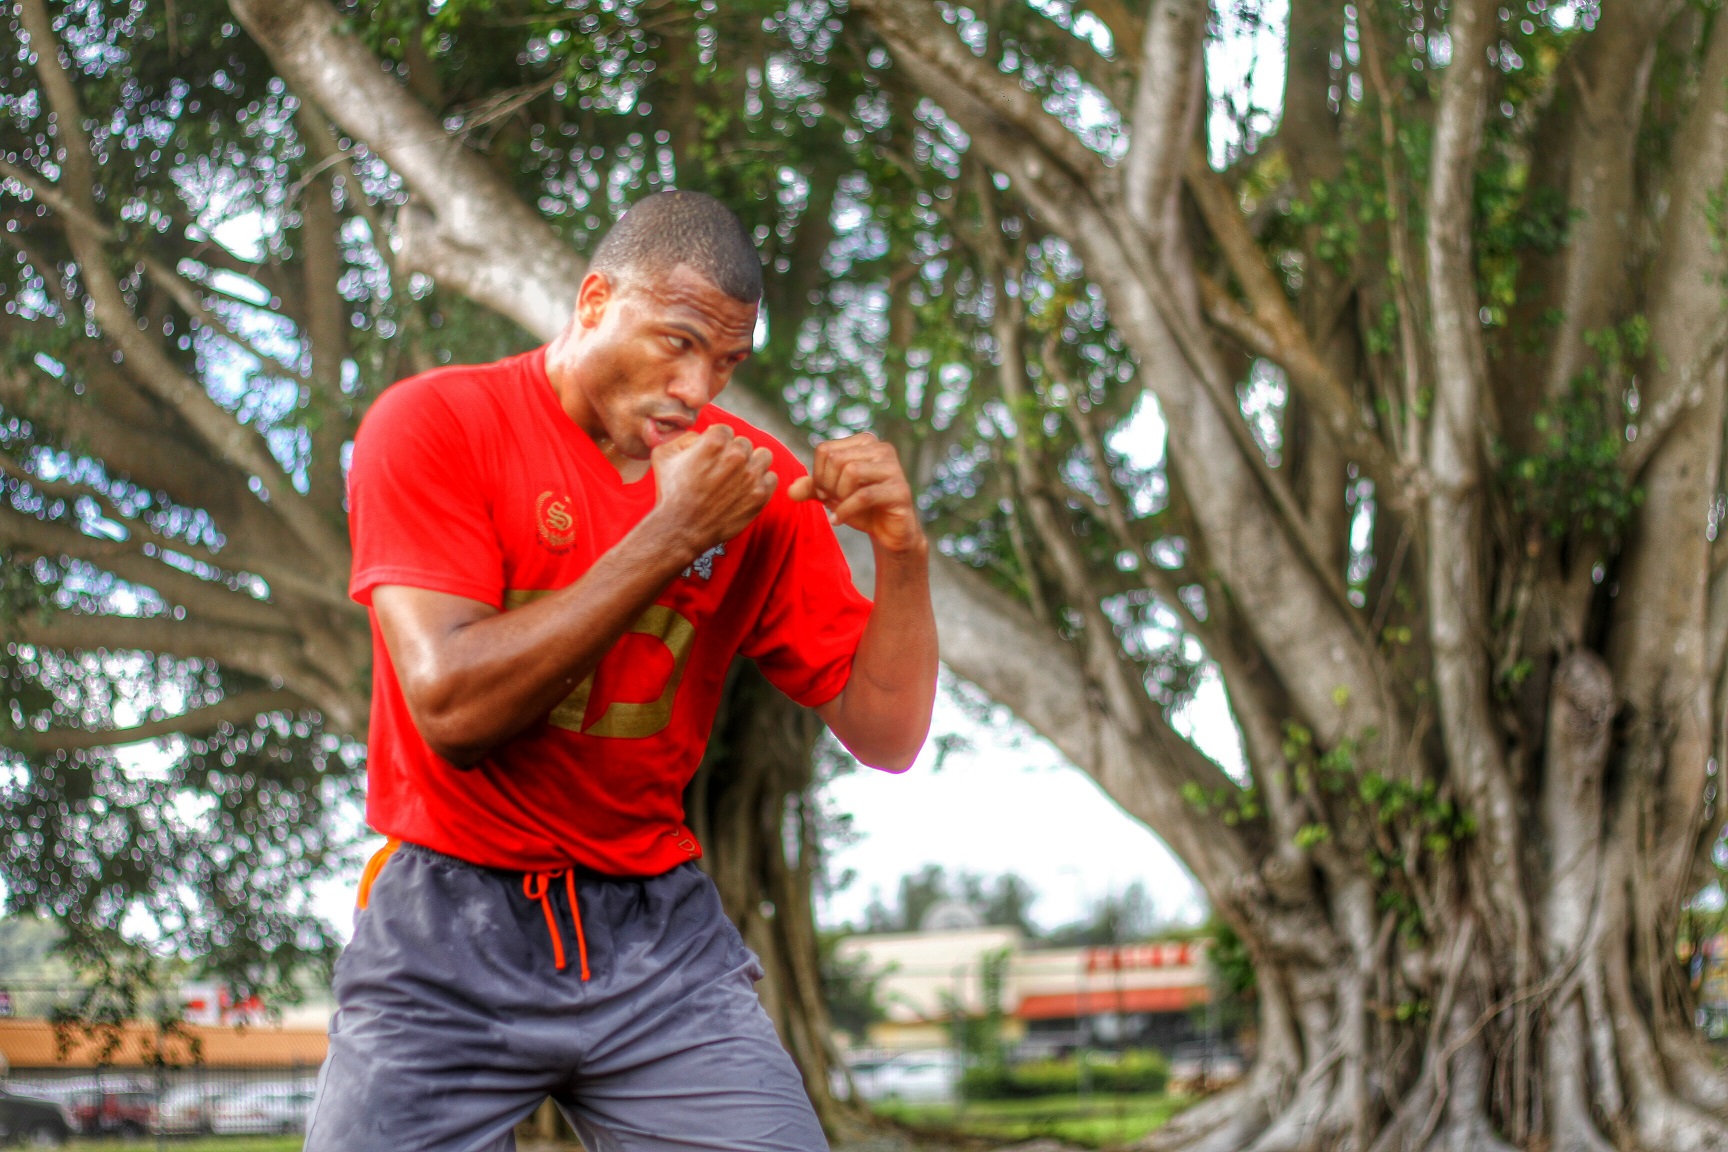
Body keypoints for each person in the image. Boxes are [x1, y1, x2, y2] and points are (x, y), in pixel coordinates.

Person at [305, 190, 938, 1152]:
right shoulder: (437, 423)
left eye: (724, 363)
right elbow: (453, 710)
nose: (695, 387)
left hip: (656, 936)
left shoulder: (751, 488)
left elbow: (888, 733)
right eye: (677, 341)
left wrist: (901, 553)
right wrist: (672, 535)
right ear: (594, 300)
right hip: (446, 925)